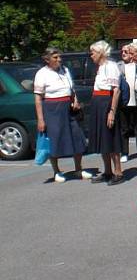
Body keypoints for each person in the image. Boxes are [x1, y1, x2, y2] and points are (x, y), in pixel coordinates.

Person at [33, 47, 92, 182]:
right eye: (55, 57)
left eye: (59, 57)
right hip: (52, 109)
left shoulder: (65, 70)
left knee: (77, 137)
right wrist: (41, 120)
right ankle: (57, 171)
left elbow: (71, 89)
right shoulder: (41, 74)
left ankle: (78, 169)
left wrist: (75, 100)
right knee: (55, 139)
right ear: (47, 60)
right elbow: (37, 99)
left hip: (68, 108)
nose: (59, 59)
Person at [86, 40, 124, 185]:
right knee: (103, 139)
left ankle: (118, 172)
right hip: (97, 103)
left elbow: (116, 90)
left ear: (101, 52)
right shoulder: (100, 68)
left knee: (111, 137)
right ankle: (107, 171)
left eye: (93, 52)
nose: (91, 55)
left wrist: (112, 112)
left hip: (106, 103)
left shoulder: (111, 66)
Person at [117, 45, 137, 163]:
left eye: (126, 51)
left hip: (136, 99)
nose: (123, 53)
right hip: (124, 101)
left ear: (132, 54)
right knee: (124, 128)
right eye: (122, 51)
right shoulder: (118, 66)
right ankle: (124, 153)